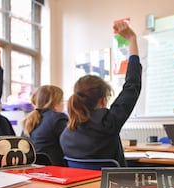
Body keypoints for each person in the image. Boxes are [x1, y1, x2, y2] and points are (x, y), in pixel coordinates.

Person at [60, 21, 142, 167]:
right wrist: (132, 39)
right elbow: (132, 85)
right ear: (103, 100)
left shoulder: (66, 134)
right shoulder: (109, 122)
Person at [22, 85, 68, 166]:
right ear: (56, 103)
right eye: (62, 101)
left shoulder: (29, 119)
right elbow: (69, 145)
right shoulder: (58, 118)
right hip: (55, 169)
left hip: (33, 168)